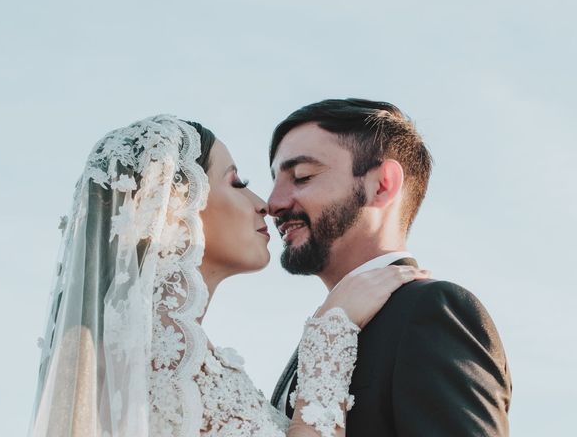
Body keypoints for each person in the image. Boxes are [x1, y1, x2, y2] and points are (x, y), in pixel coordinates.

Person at [28, 115, 426, 437]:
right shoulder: (149, 365)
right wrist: (331, 332)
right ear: (173, 206)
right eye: (238, 183)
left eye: (302, 177)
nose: (265, 205)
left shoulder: (152, 358)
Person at [268, 98, 512, 436]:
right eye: (275, 180)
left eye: (302, 176)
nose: (273, 203)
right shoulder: (324, 332)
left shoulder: (431, 311)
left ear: (382, 185)